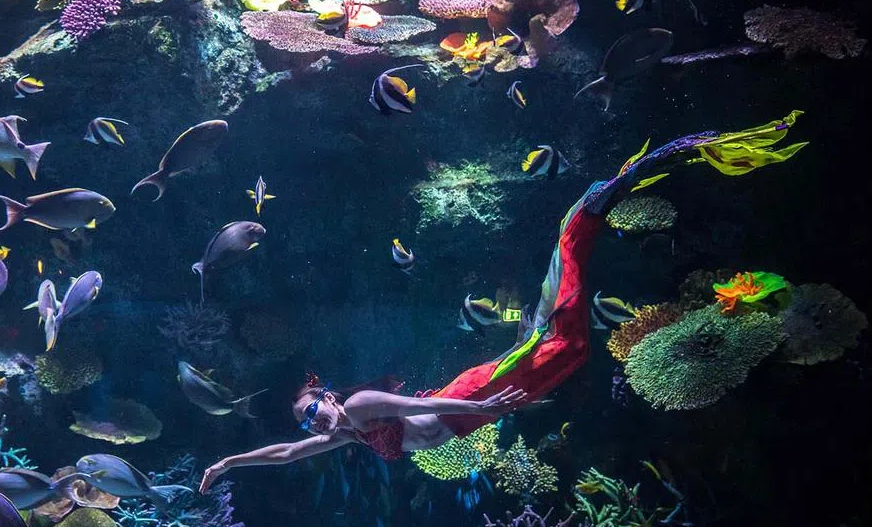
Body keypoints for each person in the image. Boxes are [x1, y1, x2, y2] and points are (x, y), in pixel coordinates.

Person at [199, 115, 808, 493]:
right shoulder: (346, 435)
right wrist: (226, 463)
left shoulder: (360, 406)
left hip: (472, 396)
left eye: (314, 411)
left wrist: (488, 405)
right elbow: (281, 454)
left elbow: (424, 401)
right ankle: (588, 218)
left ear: (331, 397)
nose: (315, 424)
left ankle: (590, 210)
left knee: (556, 332)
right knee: (568, 345)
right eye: (309, 421)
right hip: (478, 411)